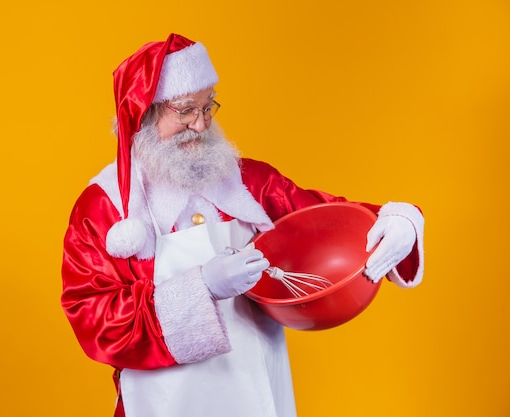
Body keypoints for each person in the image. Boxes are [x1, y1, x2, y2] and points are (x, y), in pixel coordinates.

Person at [61, 33, 424, 417]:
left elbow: (327, 221)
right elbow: (95, 319)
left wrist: (397, 220)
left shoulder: (249, 181)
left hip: (257, 394)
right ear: (144, 113)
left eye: (207, 107)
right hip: (165, 404)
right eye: (185, 110)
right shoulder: (105, 207)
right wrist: (202, 288)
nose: (200, 126)